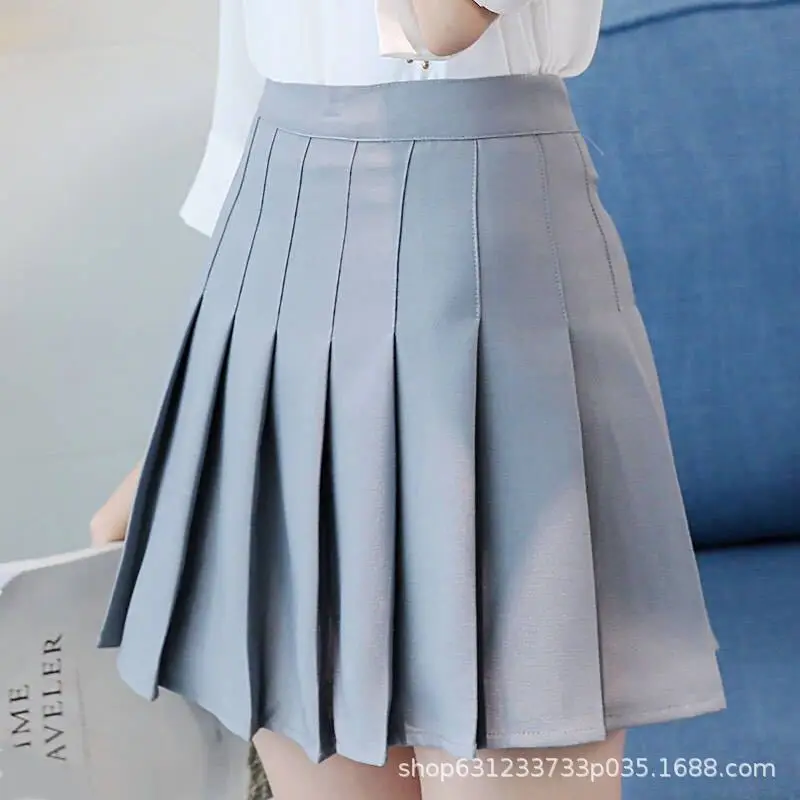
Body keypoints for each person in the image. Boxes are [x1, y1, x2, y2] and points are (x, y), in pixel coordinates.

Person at [90, 1, 726, 798]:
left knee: (514, 711)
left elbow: (442, 26)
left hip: (480, 252)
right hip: (276, 250)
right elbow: (248, 114)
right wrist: (197, 422)